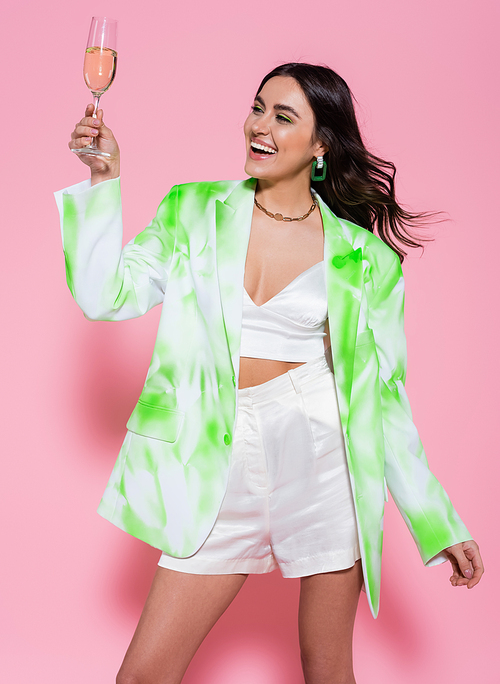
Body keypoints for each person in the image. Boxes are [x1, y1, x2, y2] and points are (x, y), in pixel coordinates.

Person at [56, 62, 484, 684]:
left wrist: (436, 521)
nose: (259, 125)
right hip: (215, 454)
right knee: (145, 675)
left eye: (284, 116)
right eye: (258, 107)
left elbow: (384, 401)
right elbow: (104, 297)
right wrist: (103, 179)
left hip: (323, 456)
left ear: (321, 145)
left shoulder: (365, 261)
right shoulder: (193, 210)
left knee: (327, 670)